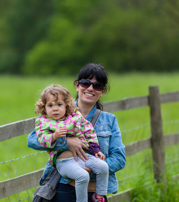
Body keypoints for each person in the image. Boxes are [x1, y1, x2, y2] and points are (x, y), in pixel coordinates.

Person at [30, 63, 126, 202]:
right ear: (77, 85)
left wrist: (91, 169)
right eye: (85, 83)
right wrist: (66, 142)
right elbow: (32, 140)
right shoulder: (59, 110)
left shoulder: (109, 120)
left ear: (102, 91)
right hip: (63, 187)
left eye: (97, 85)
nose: (90, 88)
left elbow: (119, 158)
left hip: (94, 192)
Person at [34, 84, 109, 202]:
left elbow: (88, 128)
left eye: (59, 104)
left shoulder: (75, 117)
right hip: (64, 162)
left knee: (103, 166)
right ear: (44, 108)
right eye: (50, 105)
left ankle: (99, 196)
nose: (55, 108)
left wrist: (95, 148)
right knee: (83, 176)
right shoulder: (43, 122)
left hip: (83, 157)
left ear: (66, 106)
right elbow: (41, 139)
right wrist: (55, 136)